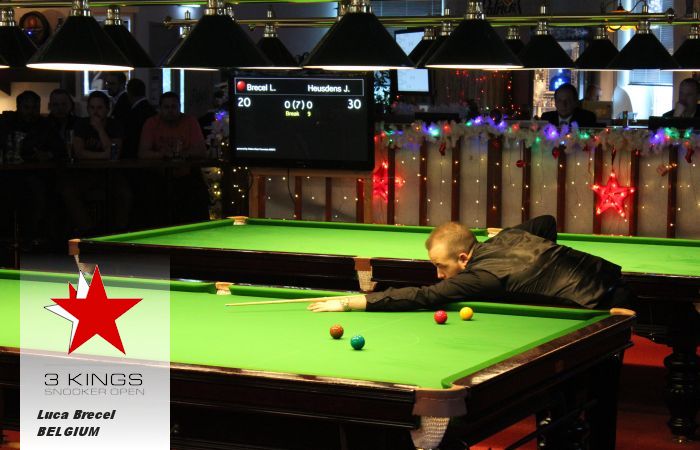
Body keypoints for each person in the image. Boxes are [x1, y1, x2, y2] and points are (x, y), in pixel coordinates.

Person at [308, 215, 633, 313]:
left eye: (441, 266)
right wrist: (511, 237)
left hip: (603, 307)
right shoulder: (507, 238)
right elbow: (546, 222)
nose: (439, 275)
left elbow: (424, 296)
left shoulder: (480, 277)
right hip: (610, 275)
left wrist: (355, 302)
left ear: (463, 258)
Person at [59, 91, 132, 235]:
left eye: (99, 108)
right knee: (68, 191)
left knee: (125, 194)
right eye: (92, 108)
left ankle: (119, 232)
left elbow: (114, 154)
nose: (95, 112)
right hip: (85, 173)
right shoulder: (81, 124)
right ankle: (88, 231)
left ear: (107, 109)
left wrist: (100, 129)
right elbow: (79, 152)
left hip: (111, 173)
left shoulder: (115, 125)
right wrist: (104, 155)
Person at [138, 91, 209, 224]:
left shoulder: (190, 122)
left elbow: (201, 151)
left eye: (174, 107)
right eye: (166, 107)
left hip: (186, 177)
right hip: (158, 178)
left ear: (179, 107)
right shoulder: (151, 123)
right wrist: (162, 154)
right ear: (160, 108)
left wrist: (185, 154)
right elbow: (142, 153)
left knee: (198, 193)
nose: (170, 111)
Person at [122, 78, 156, 159]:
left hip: (133, 155)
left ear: (129, 93)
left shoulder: (132, 114)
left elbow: (130, 138)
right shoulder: (153, 111)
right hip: (151, 154)